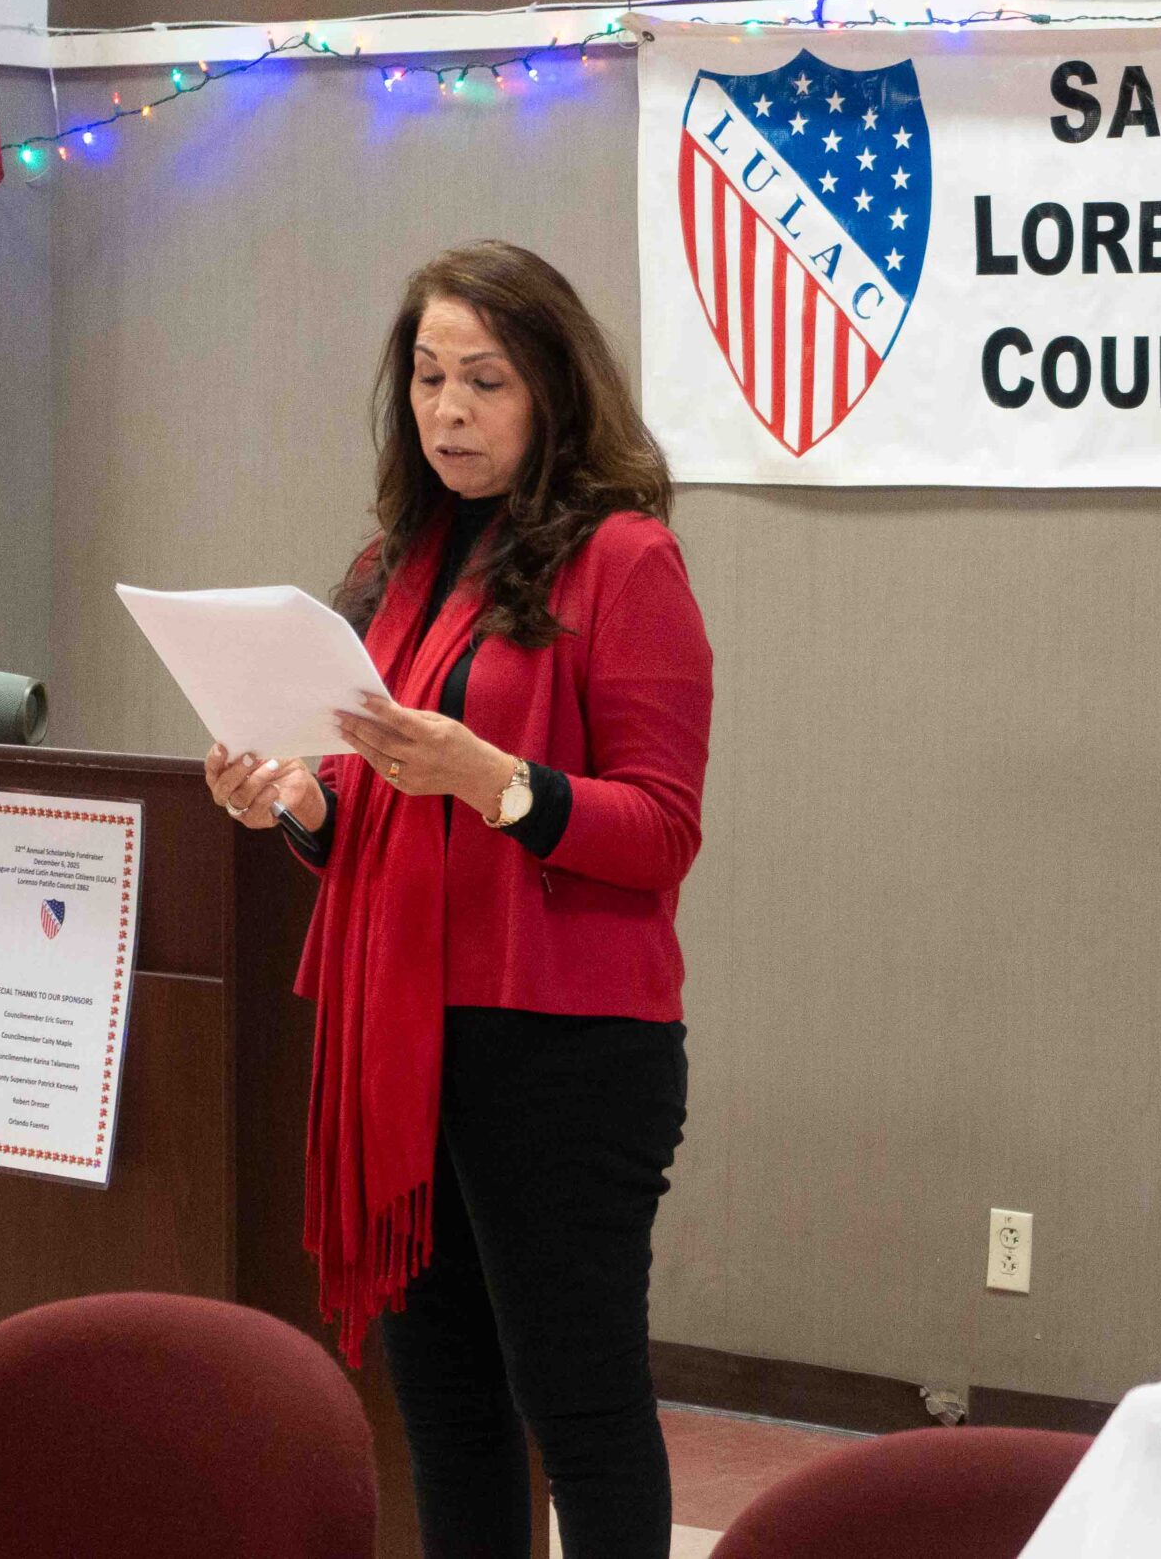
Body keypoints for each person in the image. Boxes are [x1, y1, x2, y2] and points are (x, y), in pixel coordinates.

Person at [200, 241, 714, 1559]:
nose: (449, 411)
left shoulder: (626, 562)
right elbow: (372, 819)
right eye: (429, 378)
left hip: (564, 1053)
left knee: (581, 1414)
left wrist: (497, 781)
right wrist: (296, 802)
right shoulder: (395, 565)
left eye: (485, 381)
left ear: (552, 390)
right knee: (450, 1420)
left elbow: (661, 830)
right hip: (406, 1041)